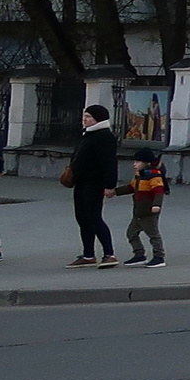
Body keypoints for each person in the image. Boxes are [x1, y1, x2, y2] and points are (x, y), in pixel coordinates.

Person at [65, 103, 119, 267]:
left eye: (88, 117)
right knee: (82, 218)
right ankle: (88, 255)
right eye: (84, 116)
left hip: (94, 184)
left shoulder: (104, 136)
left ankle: (109, 254)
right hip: (81, 183)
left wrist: (109, 185)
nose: (84, 119)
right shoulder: (88, 134)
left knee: (94, 217)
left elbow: (110, 163)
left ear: (98, 119)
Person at [114, 145, 170, 267]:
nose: (134, 164)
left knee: (153, 235)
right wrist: (115, 192)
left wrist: (156, 205)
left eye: (138, 162)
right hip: (139, 211)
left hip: (149, 212)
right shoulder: (140, 175)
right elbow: (131, 187)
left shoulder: (154, 175)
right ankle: (139, 255)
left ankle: (159, 257)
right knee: (131, 233)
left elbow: (158, 191)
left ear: (147, 163)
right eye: (134, 161)